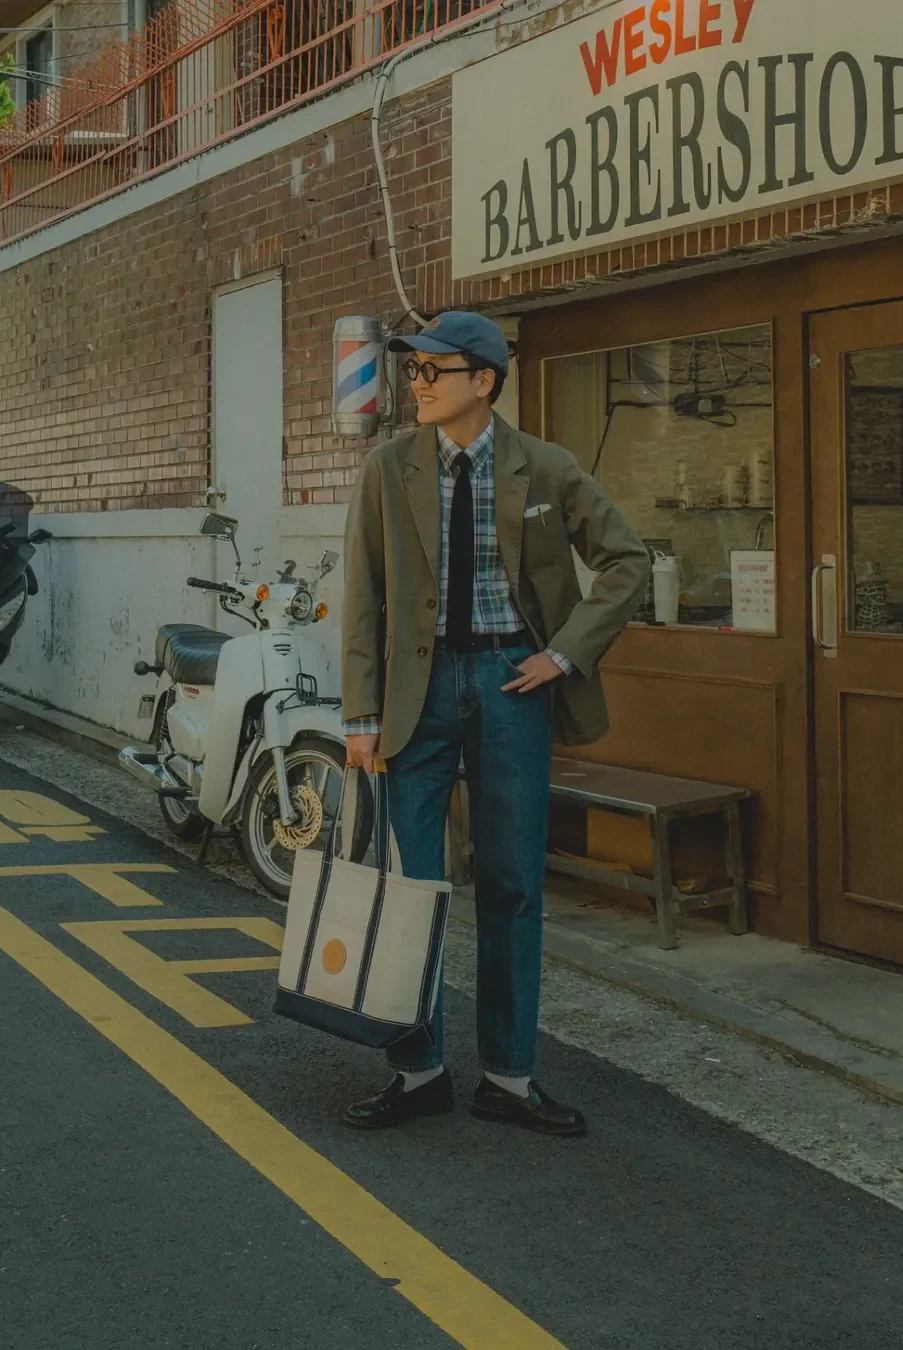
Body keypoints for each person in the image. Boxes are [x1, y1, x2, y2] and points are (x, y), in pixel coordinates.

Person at [341, 312, 649, 1135]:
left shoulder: (543, 467)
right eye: (414, 372)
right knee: (413, 886)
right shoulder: (387, 469)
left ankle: (509, 1079)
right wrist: (359, 716)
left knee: (513, 885)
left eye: (434, 371)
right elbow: (364, 598)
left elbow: (629, 561)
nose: (418, 385)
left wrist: (564, 655)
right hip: (416, 690)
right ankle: (419, 1071)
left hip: (513, 682)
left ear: (484, 379)